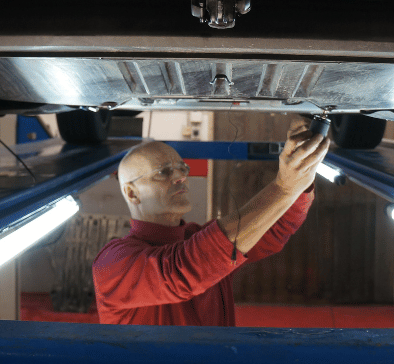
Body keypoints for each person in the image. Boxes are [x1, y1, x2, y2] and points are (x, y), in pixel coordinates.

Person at [92, 120, 329, 326]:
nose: (181, 176)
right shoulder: (113, 263)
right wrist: (284, 188)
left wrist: (302, 174)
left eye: (181, 168)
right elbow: (183, 271)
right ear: (132, 193)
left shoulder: (199, 239)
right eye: (163, 172)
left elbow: (275, 229)